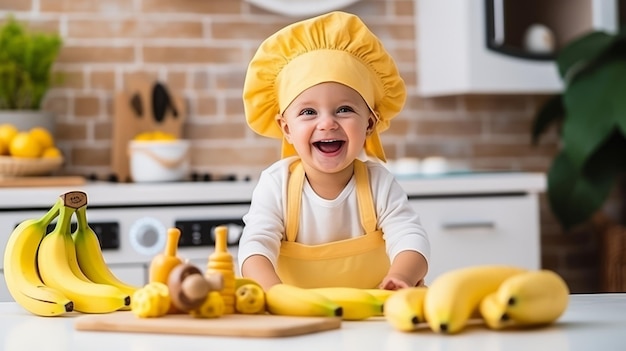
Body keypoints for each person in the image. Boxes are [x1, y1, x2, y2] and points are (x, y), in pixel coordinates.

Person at [238, 11, 430, 291]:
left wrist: (401, 276)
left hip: (371, 318)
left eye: (344, 109)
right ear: (286, 128)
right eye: (308, 111)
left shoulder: (379, 183)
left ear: (369, 124)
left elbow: (411, 238)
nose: (327, 123)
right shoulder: (277, 184)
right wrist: (274, 294)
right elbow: (255, 247)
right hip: (297, 321)